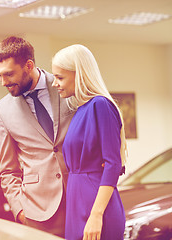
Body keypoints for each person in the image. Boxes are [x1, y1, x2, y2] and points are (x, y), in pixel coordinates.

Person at [0, 36, 75, 237]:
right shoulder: (2, 110)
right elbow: (8, 170)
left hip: (80, 197)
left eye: (9, 74)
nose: (3, 82)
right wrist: (19, 211)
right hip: (38, 212)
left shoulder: (66, 85)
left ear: (28, 65)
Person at [51, 44, 127, 240]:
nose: (54, 84)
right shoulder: (80, 111)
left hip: (96, 208)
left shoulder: (100, 105)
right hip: (77, 204)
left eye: (60, 78)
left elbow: (113, 163)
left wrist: (96, 215)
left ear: (80, 75)